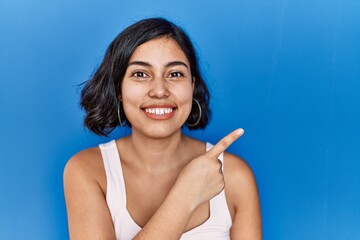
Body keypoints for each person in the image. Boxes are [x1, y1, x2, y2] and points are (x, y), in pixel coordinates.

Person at [63, 18, 262, 240]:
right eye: (140, 74)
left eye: (175, 74)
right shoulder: (88, 170)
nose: (159, 91)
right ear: (119, 88)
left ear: (192, 85)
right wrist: (185, 196)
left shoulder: (235, 176)